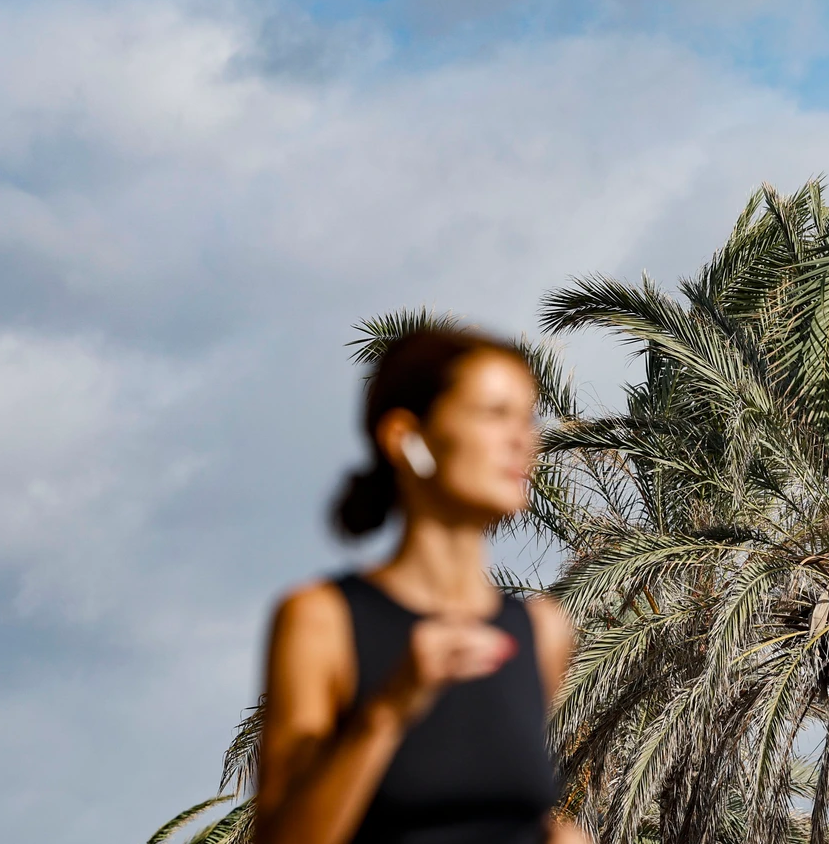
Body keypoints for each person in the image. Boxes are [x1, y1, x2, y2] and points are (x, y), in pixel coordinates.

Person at [252, 328, 589, 844]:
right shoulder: (322, 619)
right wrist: (388, 711)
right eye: (494, 415)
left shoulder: (542, 630)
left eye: (527, 418)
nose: (524, 439)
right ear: (407, 438)